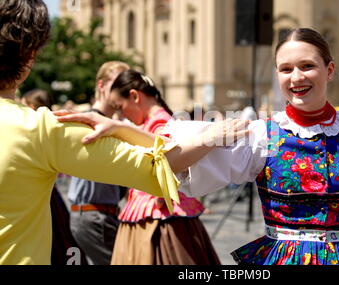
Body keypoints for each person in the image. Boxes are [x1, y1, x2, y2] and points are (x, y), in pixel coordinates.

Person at [56, 28, 339, 265]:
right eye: (286, 69)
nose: (297, 77)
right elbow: (168, 155)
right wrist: (120, 128)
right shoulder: (260, 135)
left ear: (329, 70)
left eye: (308, 66)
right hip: (276, 255)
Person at [0, 0, 248, 265]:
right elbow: (161, 165)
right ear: (28, 56)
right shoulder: (41, 129)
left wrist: (120, 127)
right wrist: (212, 134)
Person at [105, 69, 220, 265]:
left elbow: (168, 166)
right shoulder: (157, 121)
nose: (121, 114)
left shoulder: (159, 123)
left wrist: (158, 194)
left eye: (120, 106)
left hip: (161, 217)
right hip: (159, 214)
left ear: (134, 96)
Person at [67, 61, 130, 265]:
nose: (126, 91)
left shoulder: (111, 124)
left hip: (99, 214)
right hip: (94, 214)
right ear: (102, 86)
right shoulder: (90, 121)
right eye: (118, 85)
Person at [21, 89, 89, 265]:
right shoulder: (51, 131)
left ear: (31, 107)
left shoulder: (33, 133)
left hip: (41, 199)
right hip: (51, 198)